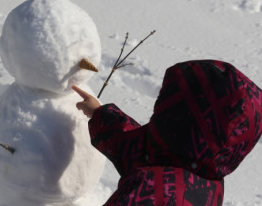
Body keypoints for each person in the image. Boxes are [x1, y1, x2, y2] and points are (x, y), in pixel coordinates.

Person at [73, 60, 262, 206]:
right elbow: (133, 146)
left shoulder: (153, 190)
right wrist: (99, 114)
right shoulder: (207, 181)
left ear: (176, 119)